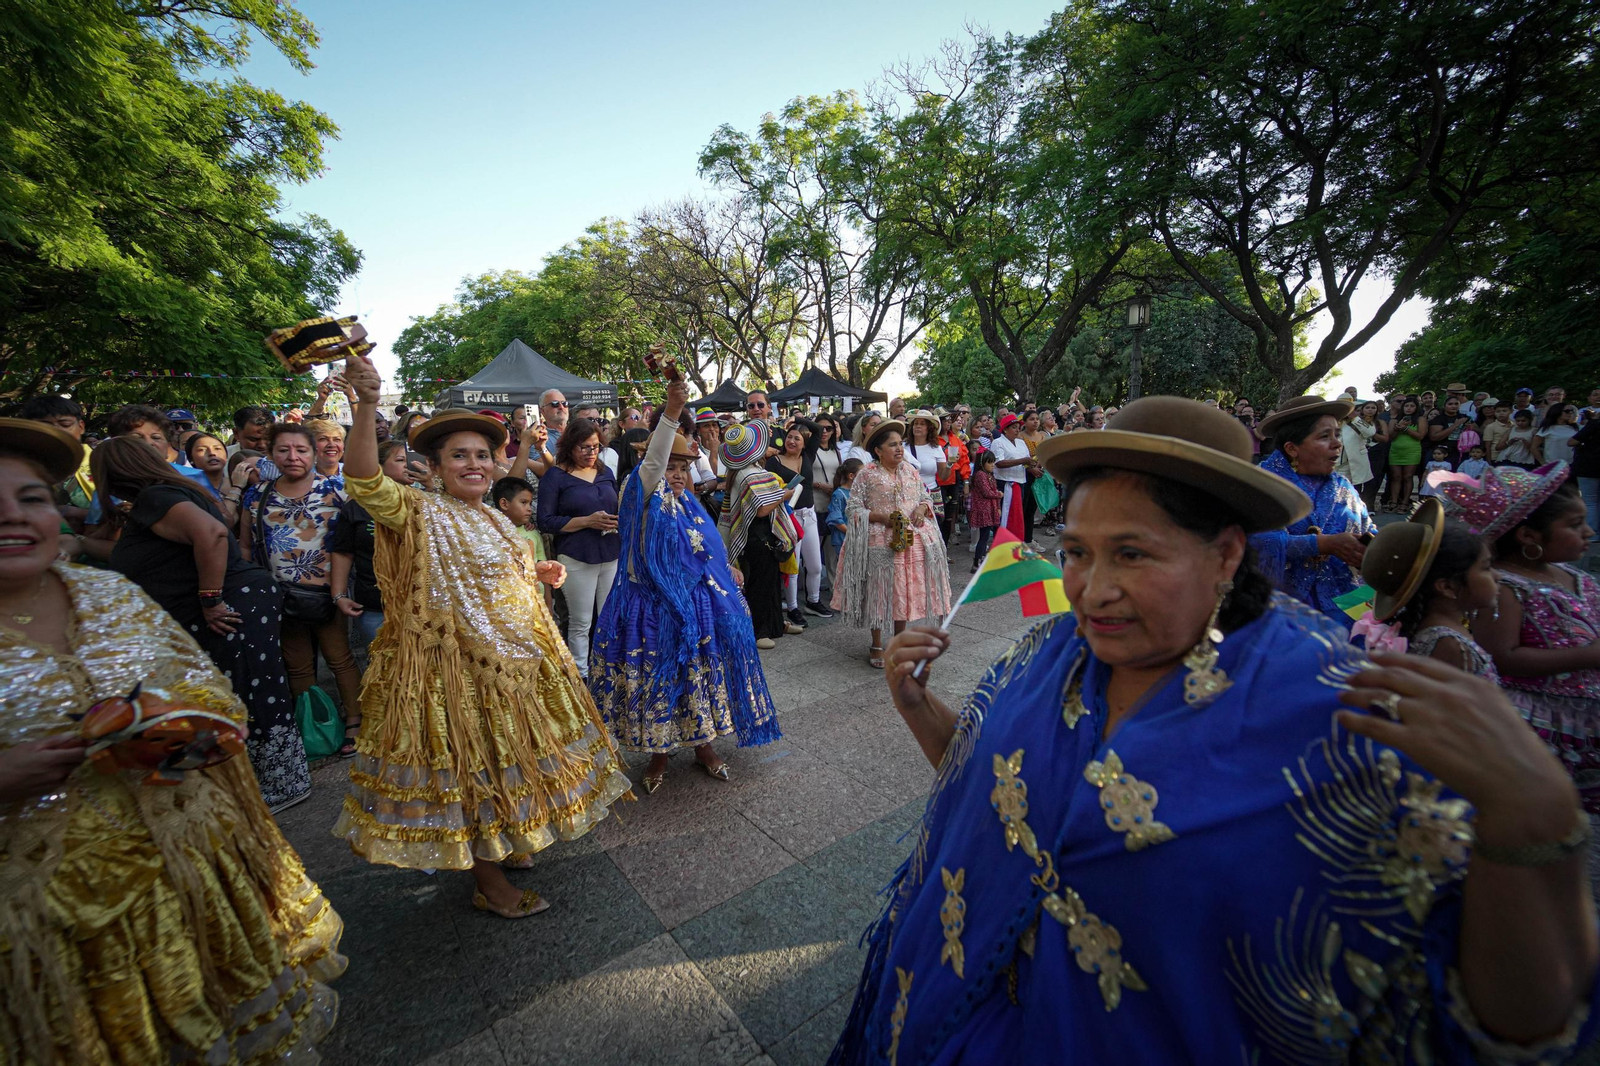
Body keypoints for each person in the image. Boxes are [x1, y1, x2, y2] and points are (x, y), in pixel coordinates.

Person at [834, 397, 1600, 1065]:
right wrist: (917, 707)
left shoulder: (1342, 706)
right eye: (1075, 551)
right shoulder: (1045, 654)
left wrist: (1535, 830)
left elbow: (1490, 1024)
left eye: (1131, 553)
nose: (1092, 590)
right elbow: (982, 793)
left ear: (1228, 551)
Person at [0, 418, 344, 1063]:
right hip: (53, 922)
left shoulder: (109, 596)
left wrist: (173, 736)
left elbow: (205, 692)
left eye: (30, 498)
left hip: (189, 872)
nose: (12, 518)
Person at [333, 356, 632, 919]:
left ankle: (502, 842)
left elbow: (500, 572)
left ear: (495, 465)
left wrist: (538, 574)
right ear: (435, 467)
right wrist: (367, 405)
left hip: (517, 664)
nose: (472, 464)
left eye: (480, 455)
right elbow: (365, 481)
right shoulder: (416, 509)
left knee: (509, 760)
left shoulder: (496, 517)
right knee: (471, 769)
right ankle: (487, 880)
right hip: (456, 675)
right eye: (457, 456)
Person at [590, 377, 781, 792]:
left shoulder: (687, 499)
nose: (676, 474)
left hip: (695, 605)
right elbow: (654, 464)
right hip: (651, 608)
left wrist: (725, 567)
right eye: (670, 466)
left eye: (683, 467)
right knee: (661, 676)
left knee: (697, 676)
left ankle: (704, 748)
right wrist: (673, 411)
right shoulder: (638, 491)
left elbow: (706, 544)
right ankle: (659, 755)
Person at [1444, 466, 1600, 816]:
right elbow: (1503, 656)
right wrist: (1589, 656)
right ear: (1528, 536)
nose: (1588, 532)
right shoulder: (1505, 586)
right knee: (1537, 817)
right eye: (1574, 525)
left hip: (1585, 720)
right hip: (1537, 725)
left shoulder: (1574, 575)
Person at [242, 422, 364, 755]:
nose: (292, 457)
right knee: (296, 665)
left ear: (312, 454)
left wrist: (343, 590)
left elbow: (356, 539)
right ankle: (313, 724)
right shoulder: (257, 494)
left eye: (300, 450)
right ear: (271, 454)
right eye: (283, 450)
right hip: (280, 595)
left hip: (328, 593)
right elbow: (245, 545)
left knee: (340, 658)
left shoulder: (337, 488)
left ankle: (354, 719)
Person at [830, 420, 952, 669]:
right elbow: (853, 509)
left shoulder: (909, 470)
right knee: (879, 593)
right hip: (879, 541)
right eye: (892, 445)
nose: (899, 449)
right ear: (878, 450)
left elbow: (925, 496)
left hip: (910, 541)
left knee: (902, 592)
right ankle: (876, 644)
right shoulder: (867, 474)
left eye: (900, 444)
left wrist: (921, 508)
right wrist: (880, 517)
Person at [1251, 395, 1376, 629]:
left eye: (1337, 435)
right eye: (1324, 436)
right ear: (1292, 448)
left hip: (1349, 600)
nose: (1337, 444)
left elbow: (1369, 530)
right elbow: (1252, 541)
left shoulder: (1343, 487)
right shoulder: (1261, 484)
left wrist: (1369, 551)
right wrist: (1321, 544)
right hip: (1281, 606)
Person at [1357, 498, 1500, 678]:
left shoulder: (1433, 629)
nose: (1497, 576)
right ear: (1447, 586)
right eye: (1486, 567)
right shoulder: (1450, 647)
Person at [535, 417, 620, 678]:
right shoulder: (556, 476)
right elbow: (545, 521)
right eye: (584, 447)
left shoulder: (605, 472)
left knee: (608, 618)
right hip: (576, 555)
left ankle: (607, 671)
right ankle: (580, 676)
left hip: (610, 552)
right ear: (570, 447)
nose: (590, 453)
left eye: (595, 447)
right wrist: (586, 521)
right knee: (581, 622)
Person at [329, 438, 416, 676]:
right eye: (400, 460)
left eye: (412, 460)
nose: (408, 465)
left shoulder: (427, 503)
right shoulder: (357, 507)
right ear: (379, 468)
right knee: (382, 671)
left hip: (420, 605)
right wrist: (339, 594)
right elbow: (343, 551)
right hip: (374, 605)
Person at [718, 420, 797, 650]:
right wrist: (784, 495)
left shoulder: (746, 472)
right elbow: (762, 509)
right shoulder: (747, 474)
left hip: (762, 536)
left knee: (770, 582)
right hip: (756, 537)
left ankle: (774, 625)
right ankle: (759, 630)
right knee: (761, 584)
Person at [769, 416, 826, 626]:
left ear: (804, 443)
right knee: (793, 567)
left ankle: (813, 601)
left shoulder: (808, 456)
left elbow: (818, 430)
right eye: (790, 437)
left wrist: (798, 419)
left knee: (815, 566)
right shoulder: (773, 461)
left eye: (797, 438)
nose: (792, 441)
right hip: (788, 518)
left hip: (809, 516)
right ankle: (793, 607)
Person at [988, 414, 1033, 544]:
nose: (1017, 430)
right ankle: (1001, 542)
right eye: (1014, 427)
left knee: (1017, 515)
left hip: (1020, 482)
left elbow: (1025, 462)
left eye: (1018, 427)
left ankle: (1015, 541)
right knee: (1003, 514)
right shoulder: (998, 442)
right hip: (1004, 483)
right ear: (1005, 429)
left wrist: (1031, 465)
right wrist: (1023, 460)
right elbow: (999, 463)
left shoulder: (1021, 443)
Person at [1385, 395, 1425, 511]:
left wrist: (1406, 429)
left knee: (1408, 476)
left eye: (1412, 406)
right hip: (1396, 451)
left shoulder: (1420, 419)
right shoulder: (1394, 420)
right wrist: (1398, 428)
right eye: (1406, 406)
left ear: (1416, 407)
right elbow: (1390, 437)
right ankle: (1393, 501)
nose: (1408, 408)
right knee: (1396, 477)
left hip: (1412, 451)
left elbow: (1420, 436)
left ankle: (1405, 502)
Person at [965, 450, 1002, 572]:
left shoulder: (989, 475)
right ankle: (976, 562)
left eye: (993, 462)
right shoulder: (981, 475)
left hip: (990, 508)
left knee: (985, 536)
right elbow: (987, 492)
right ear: (982, 463)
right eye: (990, 462)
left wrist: (997, 507)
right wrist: (999, 494)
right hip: (983, 509)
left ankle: (980, 559)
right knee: (984, 537)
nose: (993, 465)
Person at [826, 458, 862, 582]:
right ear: (851, 476)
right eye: (861, 474)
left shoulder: (857, 493)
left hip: (857, 538)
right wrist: (851, 532)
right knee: (845, 573)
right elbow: (836, 520)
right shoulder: (839, 494)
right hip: (844, 539)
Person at [1336, 403, 1377, 500]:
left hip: (1355, 461)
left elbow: (1370, 432)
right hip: (1337, 461)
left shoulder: (1361, 422)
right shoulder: (1334, 421)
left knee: (1355, 488)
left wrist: (1354, 418)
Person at [305, 417, 346, 482]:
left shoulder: (355, 473)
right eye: (323, 439)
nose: (332, 445)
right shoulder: (301, 476)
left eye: (337, 439)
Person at [539, 388, 570, 452]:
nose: (561, 407)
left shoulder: (578, 430)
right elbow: (541, 461)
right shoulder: (538, 436)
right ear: (543, 410)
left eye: (564, 403)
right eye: (555, 404)